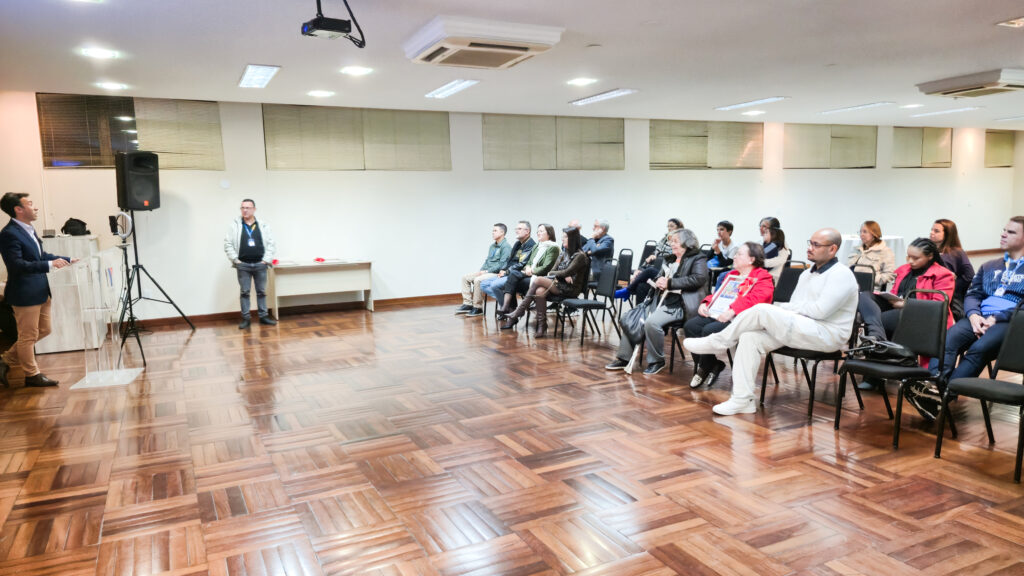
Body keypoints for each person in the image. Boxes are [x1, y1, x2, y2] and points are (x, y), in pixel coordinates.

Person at [684, 228, 858, 415]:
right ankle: (742, 400)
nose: (809, 248)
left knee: (761, 309)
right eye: (810, 242)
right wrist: (787, 309)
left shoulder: (842, 275)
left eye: (816, 245)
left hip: (827, 335)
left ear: (832, 249)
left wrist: (785, 309)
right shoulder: (806, 274)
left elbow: (819, 311)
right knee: (749, 337)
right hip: (803, 327)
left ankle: (719, 341)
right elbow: (797, 307)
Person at [932, 217, 1024, 385]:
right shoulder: (989, 266)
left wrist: (997, 318)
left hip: (1010, 322)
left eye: (1011, 232)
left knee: (978, 349)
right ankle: (932, 386)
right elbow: (972, 294)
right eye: (1004, 230)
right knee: (946, 340)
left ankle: (949, 391)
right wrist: (973, 315)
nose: (1003, 235)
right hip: (979, 316)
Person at [605, 229, 708, 375]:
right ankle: (623, 358)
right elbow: (659, 277)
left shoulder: (698, 258)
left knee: (651, 322)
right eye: (671, 241)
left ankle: (657, 360)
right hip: (660, 300)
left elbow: (698, 279)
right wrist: (658, 280)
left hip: (680, 303)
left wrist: (670, 283)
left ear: (687, 242)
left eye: (676, 241)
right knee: (630, 318)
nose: (672, 244)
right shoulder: (670, 259)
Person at [0, 192, 75, 387]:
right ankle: (32, 375)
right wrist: (49, 265)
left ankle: (5, 360)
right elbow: (16, 265)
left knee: (44, 330)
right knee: (27, 336)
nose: (35, 208)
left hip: (40, 290)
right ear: (18, 209)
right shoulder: (8, 234)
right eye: (30, 204)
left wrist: (65, 259)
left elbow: (40, 255)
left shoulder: (28, 229)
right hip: (24, 293)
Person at [684, 242, 775, 388]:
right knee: (691, 326)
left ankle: (705, 367)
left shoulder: (763, 277)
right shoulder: (732, 275)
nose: (734, 257)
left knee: (708, 330)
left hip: (742, 318)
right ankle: (710, 364)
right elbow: (717, 294)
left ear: (751, 259)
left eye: (739, 254)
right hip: (722, 314)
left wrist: (733, 310)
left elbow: (757, 299)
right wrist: (705, 303)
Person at [499, 227, 589, 336]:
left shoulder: (580, 256)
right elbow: (552, 272)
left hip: (570, 289)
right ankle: (542, 326)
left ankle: (520, 310)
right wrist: (562, 274)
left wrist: (563, 273)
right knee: (539, 291)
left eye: (565, 237)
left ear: (573, 239)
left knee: (538, 280)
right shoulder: (564, 253)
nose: (562, 239)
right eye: (563, 236)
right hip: (558, 284)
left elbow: (564, 272)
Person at [224, 198, 277, 329]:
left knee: (261, 292)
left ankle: (263, 317)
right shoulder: (235, 225)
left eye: (248, 208)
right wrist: (236, 260)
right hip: (243, 265)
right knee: (244, 292)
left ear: (254, 209)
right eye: (242, 208)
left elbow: (271, 244)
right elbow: (228, 244)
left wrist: (265, 260)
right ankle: (246, 319)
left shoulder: (263, 225)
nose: (245, 210)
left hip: (260, 264)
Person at [498, 224, 560, 325]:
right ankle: (510, 311)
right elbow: (529, 262)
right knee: (512, 277)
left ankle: (511, 313)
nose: (538, 233)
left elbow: (546, 267)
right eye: (537, 231)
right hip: (530, 274)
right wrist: (528, 267)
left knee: (511, 282)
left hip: (541, 278)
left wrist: (532, 271)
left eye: (541, 231)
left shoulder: (553, 247)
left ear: (549, 233)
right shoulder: (537, 246)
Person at [615, 218, 682, 301]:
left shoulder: (680, 242)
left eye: (671, 226)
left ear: (679, 227)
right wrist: (641, 268)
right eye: (668, 226)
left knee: (650, 270)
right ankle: (639, 308)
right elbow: (656, 251)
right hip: (657, 270)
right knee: (641, 286)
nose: (669, 228)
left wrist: (659, 257)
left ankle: (627, 290)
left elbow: (671, 258)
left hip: (666, 273)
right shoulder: (664, 239)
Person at [456, 223, 511, 317]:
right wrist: (481, 271)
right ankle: (468, 304)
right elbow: (487, 261)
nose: (492, 233)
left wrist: (486, 272)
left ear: (502, 232)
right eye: (493, 231)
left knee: (478, 280)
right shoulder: (492, 246)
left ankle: (477, 308)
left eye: (495, 231)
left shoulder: (506, 247)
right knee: (465, 278)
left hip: (496, 273)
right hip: (487, 271)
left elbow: (502, 265)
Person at [480, 221, 535, 306]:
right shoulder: (518, 243)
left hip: (517, 274)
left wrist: (506, 272)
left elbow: (522, 264)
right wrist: (503, 270)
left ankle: (507, 307)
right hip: (509, 272)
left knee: (495, 285)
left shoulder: (530, 245)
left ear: (527, 231)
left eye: (519, 229)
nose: (516, 231)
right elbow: (509, 260)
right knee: (484, 284)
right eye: (516, 229)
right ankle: (509, 306)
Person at [930, 218, 974, 321]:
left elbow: (970, 275)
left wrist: (952, 285)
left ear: (948, 234)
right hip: (933, 293)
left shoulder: (957, 252)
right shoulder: (930, 251)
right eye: (931, 230)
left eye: (936, 231)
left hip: (951, 298)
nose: (931, 233)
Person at [847, 220, 896, 291]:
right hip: (852, 288)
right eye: (860, 232)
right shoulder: (856, 249)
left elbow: (890, 274)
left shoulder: (885, 251)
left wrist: (870, 278)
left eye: (865, 232)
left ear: (874, 234)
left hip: (871, 290)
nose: (861, 234)